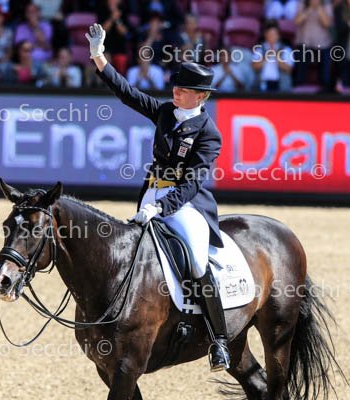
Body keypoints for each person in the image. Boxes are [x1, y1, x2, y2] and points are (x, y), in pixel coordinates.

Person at [86, 23, 230, 372]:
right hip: (151, 194)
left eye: (183, 89)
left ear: (201, 97)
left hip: (186, 205)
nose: (175, 92)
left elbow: (192, 182)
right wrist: (99, 56)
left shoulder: (209, 134)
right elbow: (129, 94)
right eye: (175, 87)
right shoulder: (166, 112)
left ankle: (219, 340)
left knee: (197, 263)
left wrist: (162, 206)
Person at [252, 20, 295, 92]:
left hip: (281, 86)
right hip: (262, 85)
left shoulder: (286, 49)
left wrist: (276, 55)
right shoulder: (259, 49)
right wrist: (266, 56)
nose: (272, 37)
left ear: (278, 36)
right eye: (270, 34)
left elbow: (289, 69)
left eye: (274, 34)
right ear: (265, 35)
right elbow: (254, 67)